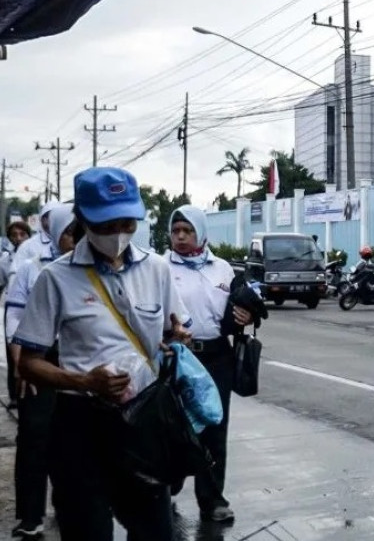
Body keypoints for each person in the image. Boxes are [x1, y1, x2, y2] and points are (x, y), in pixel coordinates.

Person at [14, 167, 193, 541]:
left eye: (126, 223)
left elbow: (171, 336)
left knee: (154, 530)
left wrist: (178, 339)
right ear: (83, 220)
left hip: (143, 423)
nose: (117, 234)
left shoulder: (157, 270)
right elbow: (29, 363)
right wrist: (85, 381)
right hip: (80, 425)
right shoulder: (55, 278)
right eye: (106, 225)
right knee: (87, 530)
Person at [164, 205, 255, 525]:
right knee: (174, 426)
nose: (181, 237)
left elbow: (240, 310)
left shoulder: (222, 270)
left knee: (215, 428)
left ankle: (212, 498)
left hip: (217, 356)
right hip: (175, 358)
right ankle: (168, 485)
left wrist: (246, 315)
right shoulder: (161, 268)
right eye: (176, 231)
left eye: (187, 231)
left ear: (200, 232)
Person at [1, 206, 78, 540]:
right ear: (57, 233)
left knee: (77, 441)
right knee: (34, 437)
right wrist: (22, 367)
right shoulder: (33, 270)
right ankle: (30, 516)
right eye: (71, 232)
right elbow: (15, 321)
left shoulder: (95, 271)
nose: (77, 239)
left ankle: (72, 507)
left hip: (81, 362)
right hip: (40, 358)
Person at [0, 220, 32, 403]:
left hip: (35, 311)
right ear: (9, 238)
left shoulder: (39, 257)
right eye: (14, 235)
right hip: (13, 311)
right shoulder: (5, 262)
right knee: (13, 355)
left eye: (22, 234)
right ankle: (14, 396)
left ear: (29, 235)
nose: (18, 238)